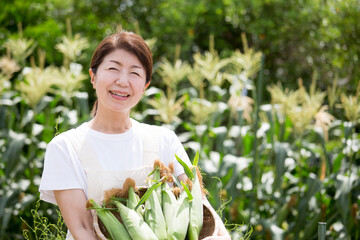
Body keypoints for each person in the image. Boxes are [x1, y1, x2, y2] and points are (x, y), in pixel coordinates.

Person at [39, 30, 231, 240]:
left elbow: (199, 206)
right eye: (113, 68)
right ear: (93, 77)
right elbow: (83, 229)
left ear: (145, 86)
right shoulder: (65, 147)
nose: (123, 81)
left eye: (135, 73)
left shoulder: (164, 140)